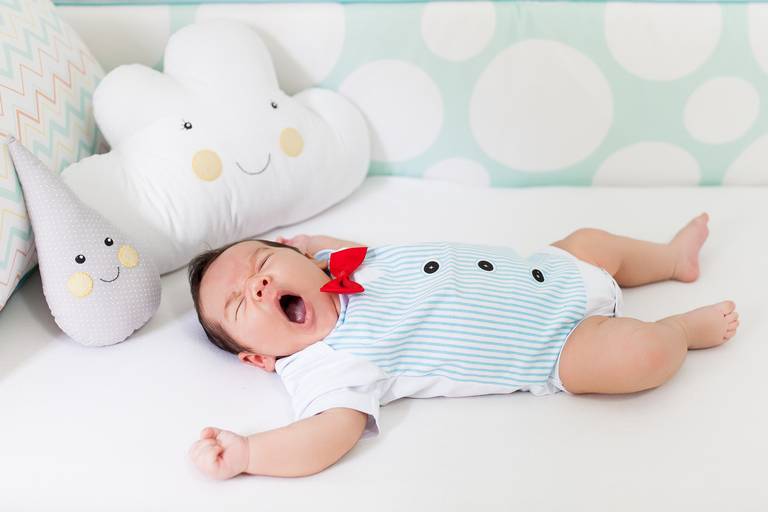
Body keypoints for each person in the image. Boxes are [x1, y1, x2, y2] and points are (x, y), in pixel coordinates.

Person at [186, 213, 738, 479]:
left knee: (592, 241)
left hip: (550, 268)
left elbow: (325, 248)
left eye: (262, 262)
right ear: (258, 358)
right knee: (641, 356)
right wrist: (250, 454)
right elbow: (325, 436)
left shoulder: (336, 262)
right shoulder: (326, 363)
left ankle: (671, 259)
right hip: (555, 345)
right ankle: (680, 331)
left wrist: (308, 243)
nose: (259, 284)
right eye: (239, 303)